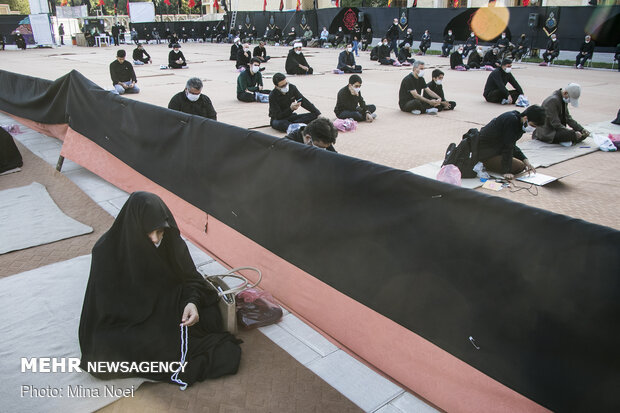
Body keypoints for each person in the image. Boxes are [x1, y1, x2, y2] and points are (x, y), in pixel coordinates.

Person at [78, 192, 241, 386]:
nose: (156, 239)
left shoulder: (170, 239)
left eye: (160, 231)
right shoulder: (105, 252)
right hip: (128, 321)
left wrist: (192, 303)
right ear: (135, 228)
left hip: (168, 305)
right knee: (102, 353)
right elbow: (105, 311)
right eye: (150, 233)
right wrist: (151, 320)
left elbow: (191, 278)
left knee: (209, 318)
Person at [477, 105, 546, 180]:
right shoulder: (512, 121)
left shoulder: (518, 121)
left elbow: (512, 144)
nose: (533, 128)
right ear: (526, 118)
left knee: (522, 163)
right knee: (519, 166)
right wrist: (506, 171)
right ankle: (484, 163)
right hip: (485, 153)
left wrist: (525, 160)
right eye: (533, 125)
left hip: (495, 148)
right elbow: (508, 147)